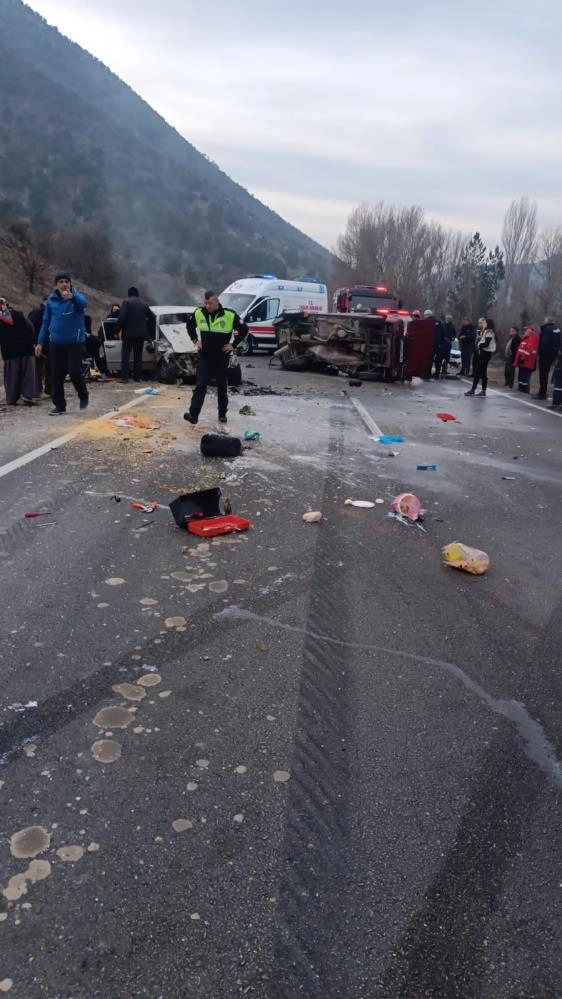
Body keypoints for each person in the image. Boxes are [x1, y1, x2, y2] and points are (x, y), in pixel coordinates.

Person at [183, 290, 248, 425]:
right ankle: (193, 415)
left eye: (210, 303)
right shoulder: (198, 313)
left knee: (221, 386)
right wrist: (195, 340)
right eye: (206, 303)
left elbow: (244, 330)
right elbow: (189, 326)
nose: (208, 306)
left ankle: (222, 413)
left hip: (221, 357)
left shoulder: (229, 315)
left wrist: (233, 345)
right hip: (205, 356)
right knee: (201, 384)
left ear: (217, 302)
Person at [36, 272, 89, 415]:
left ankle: (83, 395)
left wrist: (72, 298)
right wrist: (40, 342)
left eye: (66, 281)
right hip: (56, 342)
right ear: (56, 285)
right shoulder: (51, 302)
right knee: (56, 374)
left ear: (70, 284)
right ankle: (59, 405)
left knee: (73, 371)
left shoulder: (77, 298)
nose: (64, 284)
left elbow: (83, 303)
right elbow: (46, 322)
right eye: (61, 282)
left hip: (75, 341)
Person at [0, 297, 39, 405]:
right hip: (26, 347)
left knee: (12, 375)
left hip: (10, 350)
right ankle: (28, 396)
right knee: (28, 373)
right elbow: (31, 328)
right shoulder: (19, 314)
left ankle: (12, 399)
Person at [116, 286, 153, 382]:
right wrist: (147, 329)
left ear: (129, 293)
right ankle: (137, 377)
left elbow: (122, 318)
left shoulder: (127, 302)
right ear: (137, 294)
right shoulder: (144, 304)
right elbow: (152, 317)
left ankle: (125, 377)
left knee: (125, 355)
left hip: (128, 334)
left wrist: (116, 330)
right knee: (138, 356)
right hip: (141, 334)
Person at [465, 317, 496, 397]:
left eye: (484, 323)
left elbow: (486, 343)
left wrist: (479, 345)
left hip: (485, 353)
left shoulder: (490, 332)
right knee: (479, 372)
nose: (483, 324)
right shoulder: (484, 331)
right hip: (481, 352)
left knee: (481, 372)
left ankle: (480, 390)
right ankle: (475, 389)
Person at [533, 316, 561, 400]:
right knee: (546, 373)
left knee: (543, 374)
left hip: (545, 355)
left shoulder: (547, 329)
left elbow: (544, 343)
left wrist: (540, 352)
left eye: (545, 320)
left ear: (548, 321)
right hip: (553, 354)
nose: (543, 321)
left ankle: (542, 393)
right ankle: (543, 392)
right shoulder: (557, 329)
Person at [28, 297, 50, 395]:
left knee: (46, 368)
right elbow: (28, 327)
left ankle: (48, 388)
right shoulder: (37, 312)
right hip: (37, 345)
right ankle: (35, 389)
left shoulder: (51, 314)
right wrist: (32, 343)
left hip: (48, 345)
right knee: (37, 368)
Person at [514, 325, 539, 394]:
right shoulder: (525, 338)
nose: (524, 332)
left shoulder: (532, 339)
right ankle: (521, 389)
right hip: (523, 362)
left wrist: (522, 359)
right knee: (521, 377)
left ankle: (525, 391)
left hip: (527, 362)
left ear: (530, 332)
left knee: (525, 378)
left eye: (526, 330)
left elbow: (528, 351)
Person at [84, 313, 108, 379]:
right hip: (92, 343)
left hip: (87, 343)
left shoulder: (82, 320)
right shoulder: (86, 318)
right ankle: (103, 375)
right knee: (97, 359)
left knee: (90, 360)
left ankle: (90, 374)